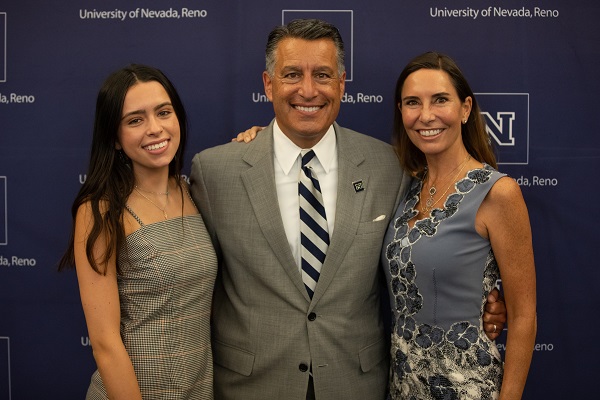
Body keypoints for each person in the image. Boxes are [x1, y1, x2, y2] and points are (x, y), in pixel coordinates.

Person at [192, 20, 505, 399]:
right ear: (268, 85)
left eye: (322, 75)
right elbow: (194, 283)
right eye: (292, 74)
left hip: (355, 384)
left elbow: (422, 255)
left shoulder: (390, 168)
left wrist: (482, 305)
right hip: (251, 386)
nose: (308, 90)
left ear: (341, 84)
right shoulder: (214, 172)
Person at [382, 51, 536, 399]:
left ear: (465, 109)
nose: (426, 115)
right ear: (401, 111)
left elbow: (524, 317)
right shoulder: (405, 187)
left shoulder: (498, 193)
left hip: (467, 388)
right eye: (412, 102)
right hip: (402, 389)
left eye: (440, 100)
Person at [58, 65, 217, 399]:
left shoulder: (196, 191)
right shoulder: (100, 209)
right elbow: (104, 343)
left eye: (163, 112)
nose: (155, 129)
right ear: (115, 138)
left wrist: (259, 137)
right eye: (135, 120)